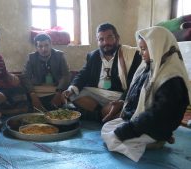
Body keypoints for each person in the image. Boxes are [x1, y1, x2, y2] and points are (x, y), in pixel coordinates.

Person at [101, 26, 191, 162]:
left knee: (112, 138)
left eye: (144, 49)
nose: (140, 53)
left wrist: (128, 130)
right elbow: (135, 95)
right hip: (143, 122)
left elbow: (159, 114)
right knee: (107, 129)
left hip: (154, 127)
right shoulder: (150, 67)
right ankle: (149, 139)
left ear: (157, 47)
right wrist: (126, 115)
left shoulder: (171, 78)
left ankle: (155, 140)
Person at [62, 23, 142, 121]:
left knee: (132, 101)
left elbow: (133, 84)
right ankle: (103, 113)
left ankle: (101, 115)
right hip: (98, 94)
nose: (105, 42)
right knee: (74, 93)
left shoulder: (132, 55)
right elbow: (83, 75)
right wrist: (70, 89)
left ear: (117, 38)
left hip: (117, 94)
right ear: (97, 41)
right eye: (101, 39)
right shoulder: (93, 55)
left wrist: (122, 100)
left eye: (109, 38)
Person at [21, 33, 71, 111]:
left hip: (57, 87)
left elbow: (66, 75)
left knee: (66, 97)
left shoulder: (59, 55)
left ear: (51, 44)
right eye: (40, 46)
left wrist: (59, 93)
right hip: (38, 88)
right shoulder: (31, 58)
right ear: (36, 47)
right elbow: (25, 76)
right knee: (25, 97)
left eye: (46, 45)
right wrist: (32, 94)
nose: (44, 49)